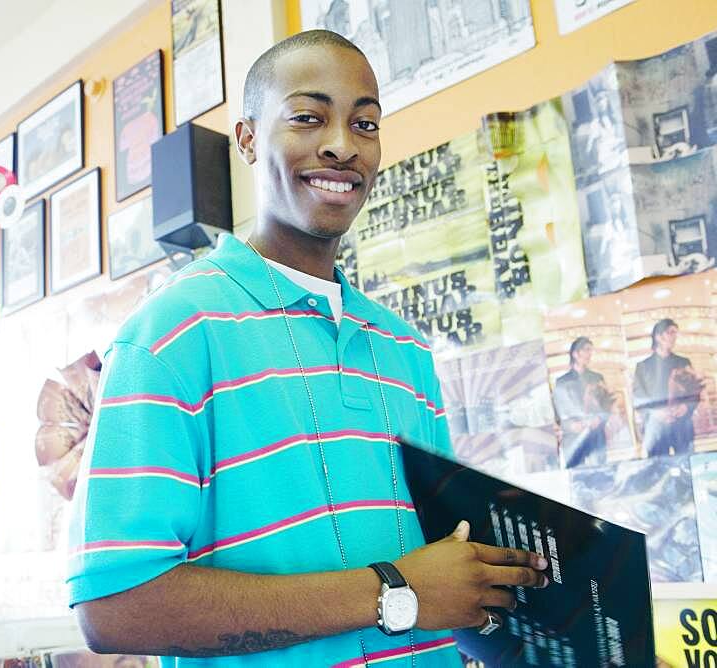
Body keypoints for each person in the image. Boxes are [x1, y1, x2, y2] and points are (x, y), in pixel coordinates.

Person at [68, 31, 548, 667]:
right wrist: (393, 593)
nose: (342, 145)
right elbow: (114, 607)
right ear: (246, 140)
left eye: (366, 123)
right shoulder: (171, 333)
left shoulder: (404, 346)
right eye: (308, 117)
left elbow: (438, 563)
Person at [633, 319, 703, 456]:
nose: (674, 336)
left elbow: (695, 391)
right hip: (656, 427)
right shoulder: (643, 367)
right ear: (658, 337)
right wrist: (655, 412)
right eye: (670, 332)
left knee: (686, 465)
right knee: (659, 469)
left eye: (676, 333)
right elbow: (637, 397)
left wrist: (686, 407)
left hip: (681, 425)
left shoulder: (683, 362)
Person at [552, 337, 612, 468]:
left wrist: (599, 419)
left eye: (591, 350)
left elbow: (607, 404)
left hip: (595, 434)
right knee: (576, 477)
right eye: (586, 350)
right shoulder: (562, 382)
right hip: (573, 437)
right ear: (575, 354)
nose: (590, 354)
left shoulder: (597, 378)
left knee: (600, 473)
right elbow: (558, 412)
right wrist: (569, 426)